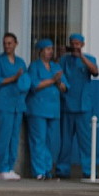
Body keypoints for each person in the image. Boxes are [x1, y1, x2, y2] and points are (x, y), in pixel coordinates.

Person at [57, 33, 98, 178]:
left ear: (82, 44)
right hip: (67, 106)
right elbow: (58, 74)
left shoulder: (89, 59)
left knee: (85, 142)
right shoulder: (64, 60)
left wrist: (82, 57)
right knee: (65, 142)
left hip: (83, 107)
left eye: (78, 44)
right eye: (73, 43)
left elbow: (95, 71)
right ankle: (62, 170)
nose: (75, 46)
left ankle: (88, 170)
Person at [0, 32, 30, 180]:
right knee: (3, 137)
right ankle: (2, 168)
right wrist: (14, 78)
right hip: (4, 104)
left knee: (14, 137)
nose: (7, 46)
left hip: (17, 104)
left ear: (16, 44)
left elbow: (25, 81)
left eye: (10, 43)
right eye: (5, 43)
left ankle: (11, 167)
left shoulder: (20, 62)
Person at [25, 38, 65, 180]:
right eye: (47, 49)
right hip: (38, 109)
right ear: (40, 51)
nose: (50, 52)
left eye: (51, 49)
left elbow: (65, 87)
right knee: (38, 140)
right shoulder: (34, 66)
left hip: (53, 109)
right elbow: (34, 85)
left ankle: (48, 169)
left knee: (51, 141)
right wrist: (53, 81)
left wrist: (59, 82)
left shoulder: (56, 67)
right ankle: (39, 171)